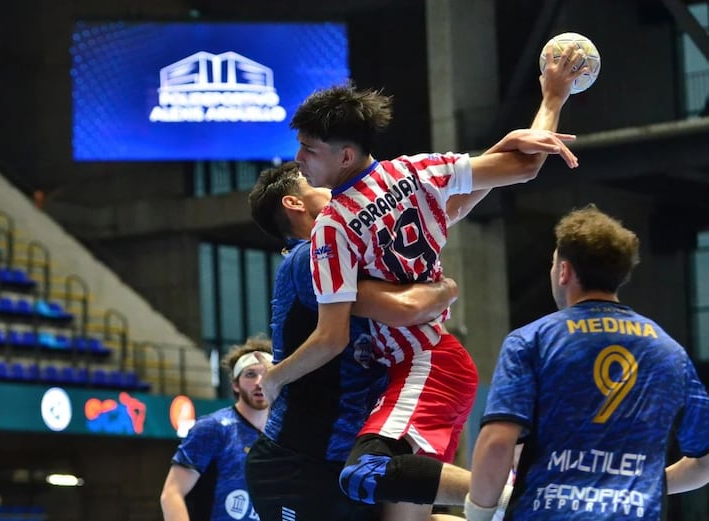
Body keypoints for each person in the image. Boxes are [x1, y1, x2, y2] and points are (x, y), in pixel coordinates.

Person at [258, 45, 586, 520]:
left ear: (345, 155)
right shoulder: (414, 170)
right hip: (431, 364)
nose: (299, 158)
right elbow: (522, 167)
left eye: (309, 150)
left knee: (365, 472)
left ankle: (530, 496)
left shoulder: (332, 227)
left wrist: (274, 376)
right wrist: (553, 97)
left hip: (422, 363)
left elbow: (333, 337)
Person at [246, 160, 463, 521]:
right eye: (312, 179)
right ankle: (511, 499)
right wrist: (446, 288)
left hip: (350, 455)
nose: (336, 183)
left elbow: (447, 208)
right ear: (294, 203)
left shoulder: (352, 244)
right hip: (299, 462)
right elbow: (409, 307)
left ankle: (519, 505)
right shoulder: (310, 254)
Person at [465, 205, 709, 521]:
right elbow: (704, 462)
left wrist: (478, 515)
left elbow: (498, 444)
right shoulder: (670, 352)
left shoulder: (532, 340)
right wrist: (640, 483)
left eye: (553, 264)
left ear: (564, 271)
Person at [160, 336, 273, 521]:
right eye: (250, 374)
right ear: (235, 385)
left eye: (266, 374)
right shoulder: (212, 428)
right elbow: (172, 493)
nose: (259, 382)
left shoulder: (284, 434)